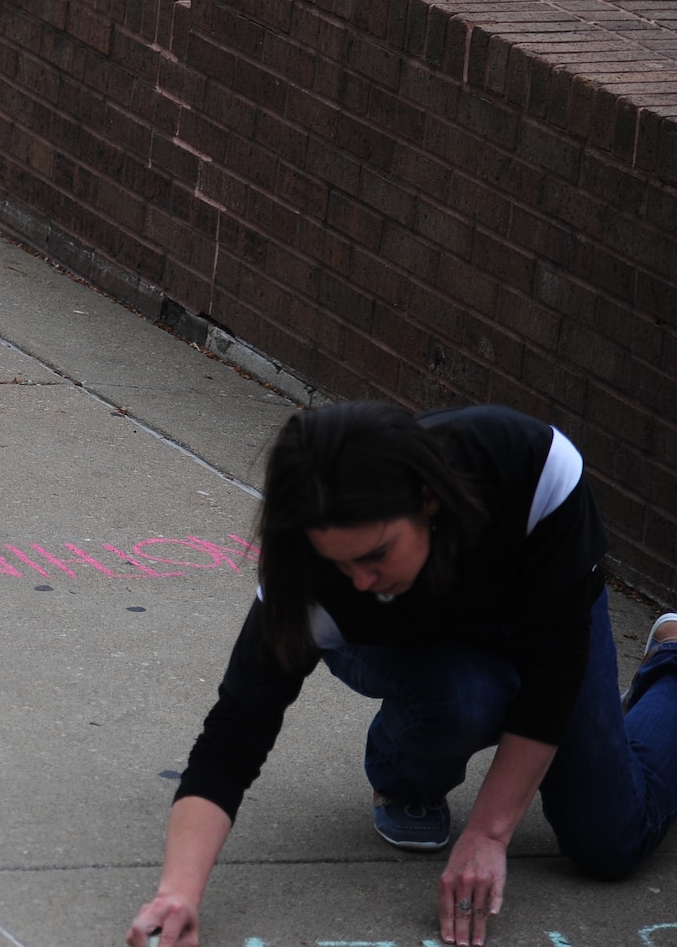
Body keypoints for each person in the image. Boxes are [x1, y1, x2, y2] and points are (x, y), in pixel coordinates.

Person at [130, 401, 677, 947]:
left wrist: (488, 833)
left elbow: (554, 672)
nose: (361, 582)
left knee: (611, 841)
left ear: (427, 497)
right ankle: (405, 779)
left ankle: (671, 659)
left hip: (536, 618)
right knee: (469, 696)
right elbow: (234, 733)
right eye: (341, 565)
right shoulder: (308, 574)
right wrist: (177, 893)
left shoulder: (532, 468)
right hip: (413, 644)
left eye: (375, 555)